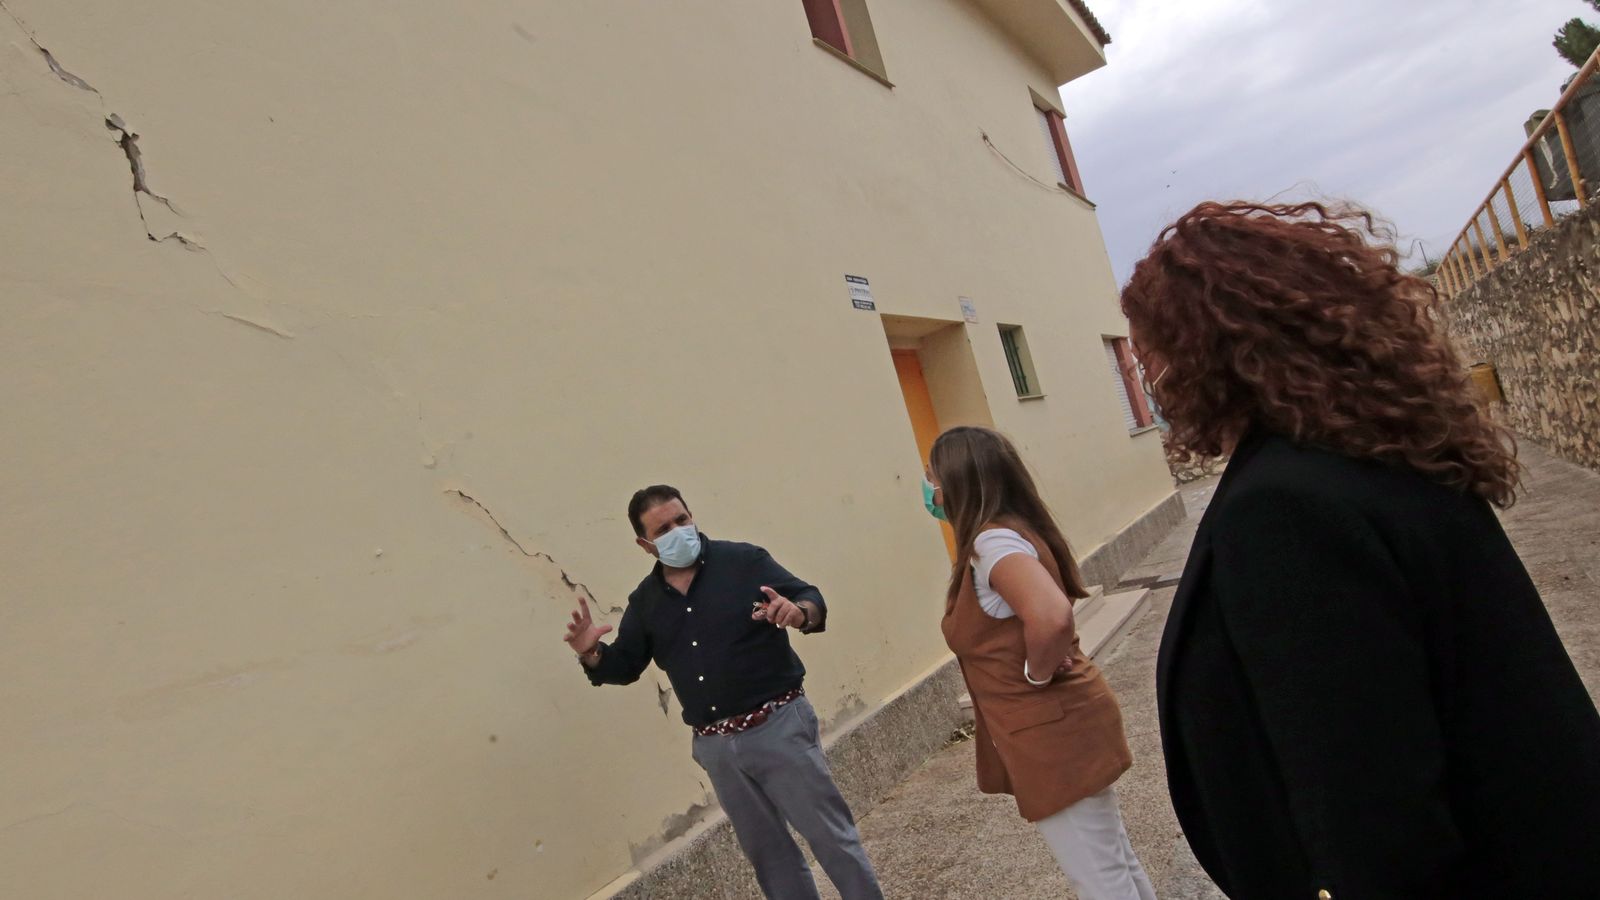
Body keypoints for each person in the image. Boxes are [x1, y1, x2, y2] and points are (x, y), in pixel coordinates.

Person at [1121, 200, 1600, 899]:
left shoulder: (1284, 509)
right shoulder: (1378, 450)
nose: (1148, 380)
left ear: (1205, 347)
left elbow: (1374, 820)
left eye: (1148, 355)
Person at [563, 485, 883, 900]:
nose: (678, 530)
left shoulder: (744, 561)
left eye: (682, 519)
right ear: (645, 545)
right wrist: (591, 652)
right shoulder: (645, 602)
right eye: (663, 529)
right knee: (770, 857)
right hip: (717, 747)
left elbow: (810, 597)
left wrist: (799, 612)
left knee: (831, 838)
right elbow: (623, 666)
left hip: (779, 725)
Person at [926, 426, 1156, 900]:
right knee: (1112, 862)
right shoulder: (1012, 532)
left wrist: (1037, 671)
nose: (930, 491)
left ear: (958, 482)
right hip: (1065, 723)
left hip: (1052, 731)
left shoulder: (992, 546)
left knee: (1098, 876)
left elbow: (1051, 616)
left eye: (932, 478)